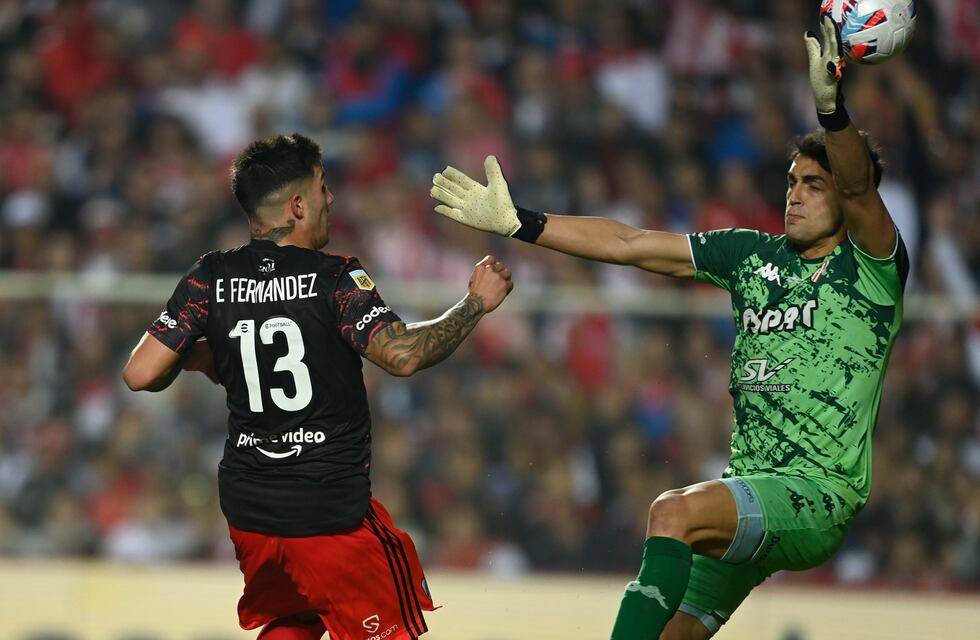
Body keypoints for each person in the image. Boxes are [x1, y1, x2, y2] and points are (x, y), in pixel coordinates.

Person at [429, 18, 907, 640]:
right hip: (753, 494)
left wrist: (830, 110)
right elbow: (632, 244)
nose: (793, 194)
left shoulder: (870, 270)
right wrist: (522, 222)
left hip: (815, 497)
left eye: (813, 185)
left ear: (844, 199)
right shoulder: (752, 256)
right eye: (790, 181)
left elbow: (861, 182)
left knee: (671, 511)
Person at [122, 133, 513, 640]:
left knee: (295, 620)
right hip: (328, 512)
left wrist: (201, 358)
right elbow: (403, 355)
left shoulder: (210, 276)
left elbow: (140, 372)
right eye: (324, 187)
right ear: (298, 203)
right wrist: (475, 303)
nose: (332, 199)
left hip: (250, 507)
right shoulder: (335, 278)